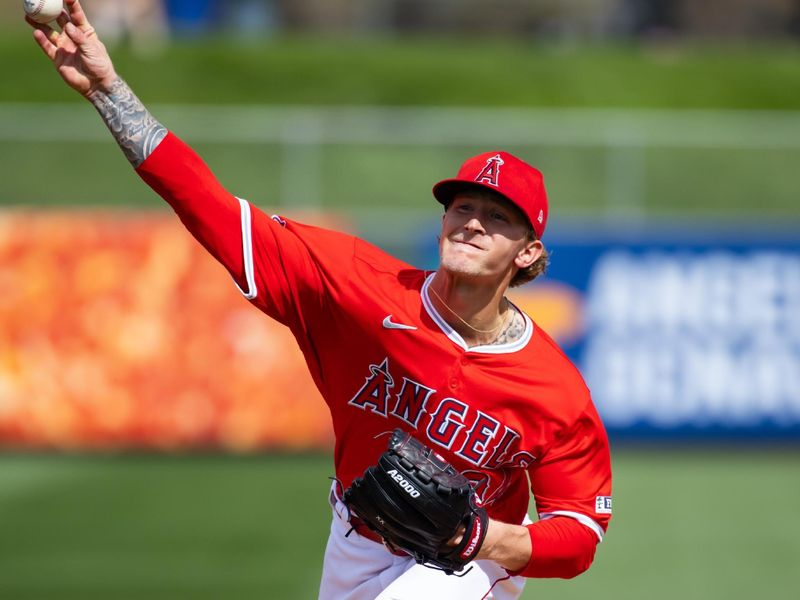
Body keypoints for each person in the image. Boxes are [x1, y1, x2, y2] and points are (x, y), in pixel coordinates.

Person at [26, 2, 612, 598]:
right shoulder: (359, 286)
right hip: (354, 544)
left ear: (529, 255)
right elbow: (209, 205)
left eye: (497, 217)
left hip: (464, 569)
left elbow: (580, 532)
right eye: (462, 207)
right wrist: (107, 89)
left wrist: (479, 539)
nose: (472, 223)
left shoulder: (554, 389)